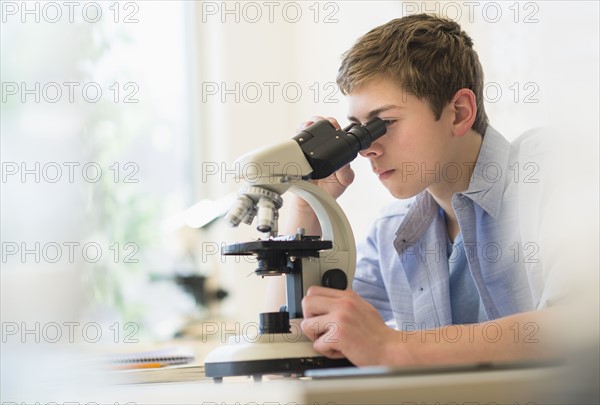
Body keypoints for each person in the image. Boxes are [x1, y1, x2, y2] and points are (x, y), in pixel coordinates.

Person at [268, 14, 561, 366]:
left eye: (384, 123)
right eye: (357, 130)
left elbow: (579, 324)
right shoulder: (393, 231)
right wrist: (306, 204)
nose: (366, 148)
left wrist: (393, 346)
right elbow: (287, 340)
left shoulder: (549, 175)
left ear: (458, 112)